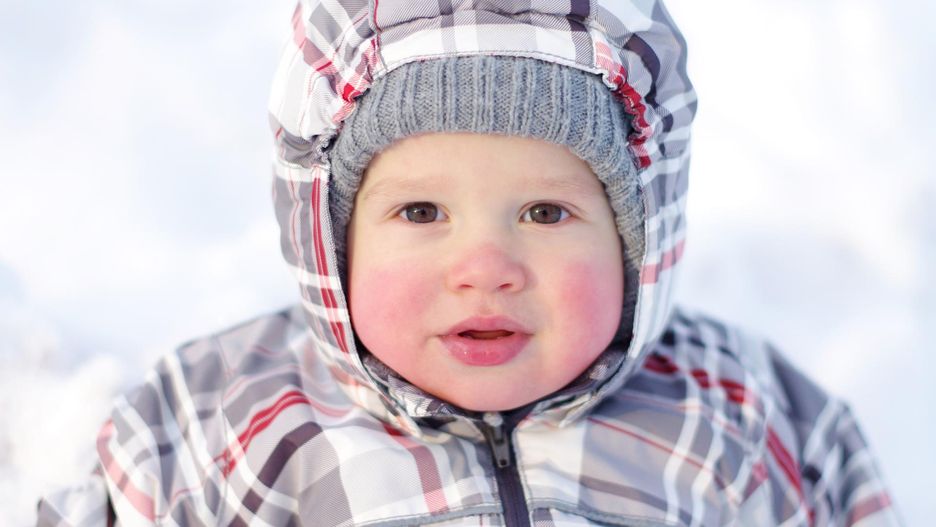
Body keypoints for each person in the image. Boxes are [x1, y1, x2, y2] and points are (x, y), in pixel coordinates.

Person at [38, 1, 901, 525]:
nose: (485, 265)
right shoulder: (222, 422)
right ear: (329, 242)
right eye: (421, 212)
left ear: (637, 240)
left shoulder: (737, 414)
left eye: (545, 211)